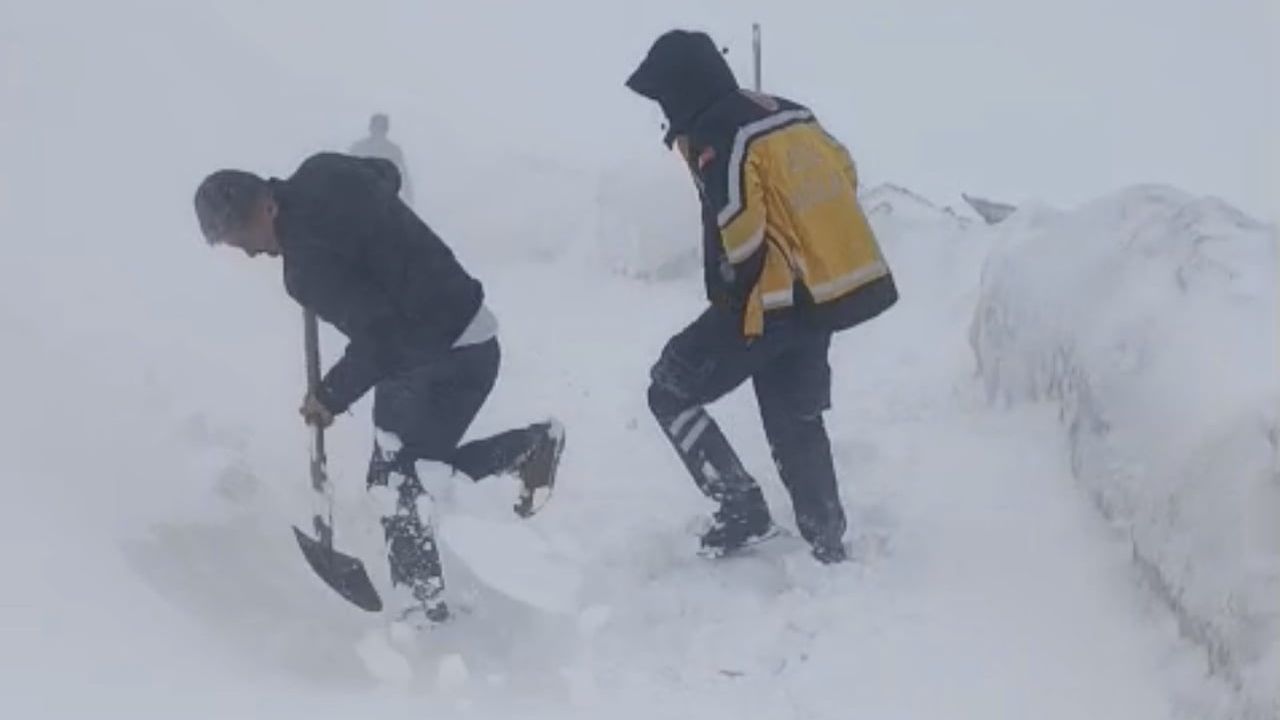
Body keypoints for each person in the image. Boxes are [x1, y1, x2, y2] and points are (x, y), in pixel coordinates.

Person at [193, 152, 564, 626]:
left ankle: (423, 610)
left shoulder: (305, 269)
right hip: (467, 330)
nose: (248, 252)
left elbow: (380, 339)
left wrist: (329, 396)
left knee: (397, 482)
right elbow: (385, 174)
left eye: (242, 238)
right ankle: (521, 454)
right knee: (402, 471)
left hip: (444, 355)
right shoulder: (324, 170)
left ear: (266, 208)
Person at [625, 30, 898, 564]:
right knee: (794, 412)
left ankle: (741, 507)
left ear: (682, 87)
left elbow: (741, 231)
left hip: (766, 299)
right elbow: (845, 170)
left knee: (669, 389)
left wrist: (732, 290)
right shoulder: (790, 111)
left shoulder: (716, 132)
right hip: (819, 295)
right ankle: (827, 540)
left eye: (664, 99)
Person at [349, 113, 415, 206]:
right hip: (361, 196)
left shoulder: (393, 150)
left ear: (386, 130)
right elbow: (349, 171)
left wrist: (409, 194)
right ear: (371, 128)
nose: (378, 130)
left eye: (381, 128)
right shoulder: (358, 147)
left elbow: (403, 174)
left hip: (385, 200)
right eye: (376, 127)